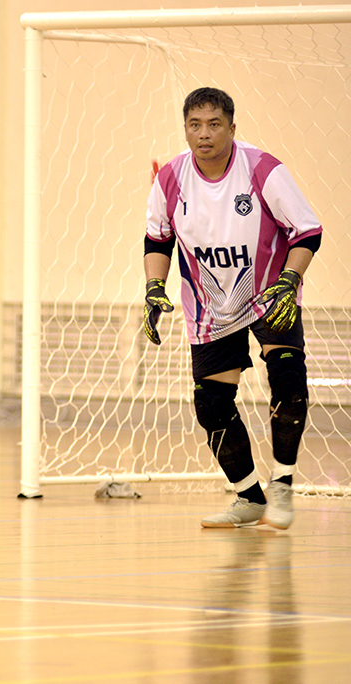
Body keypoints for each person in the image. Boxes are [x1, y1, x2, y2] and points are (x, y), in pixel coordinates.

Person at [143, 86, 322, 530]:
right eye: (194, 125)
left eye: (214, 124)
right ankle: (248, 498)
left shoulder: (262, 168)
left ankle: (281, 485)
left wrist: (290, 280)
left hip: (268, 294)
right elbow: (157, 239)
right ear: (185, 129)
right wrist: (152, 288)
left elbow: (307, 231)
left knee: (287, 376)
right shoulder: (170, 178)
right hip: (211, 303)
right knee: (211, 406)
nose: (204, 134)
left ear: (232, 128)